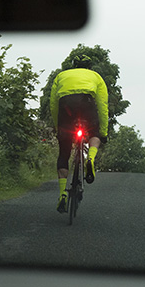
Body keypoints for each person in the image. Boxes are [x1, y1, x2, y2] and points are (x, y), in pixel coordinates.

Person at [49, 54, 109, 213]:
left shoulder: (61, 76)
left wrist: (58, 126)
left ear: (73, 65)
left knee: (64, 152)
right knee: (94, 134)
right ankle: (91, 158)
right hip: (86, 104)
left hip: (66, 107)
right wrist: (103, 132)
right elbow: (102, 105)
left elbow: (53, 103)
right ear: (89, 67)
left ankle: (62, 194)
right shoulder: (96, 76)